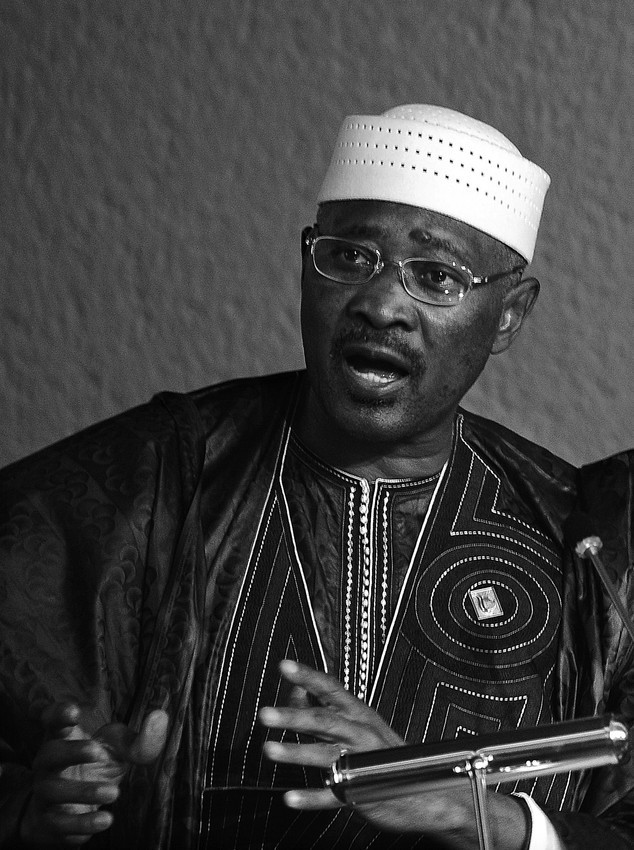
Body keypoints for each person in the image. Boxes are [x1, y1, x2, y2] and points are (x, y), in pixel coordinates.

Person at [0, 104, 633, 850]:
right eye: (349, 257)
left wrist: (476, 815)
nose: (382, 302)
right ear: (307, 266)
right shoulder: (151, 480)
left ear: (509, 316)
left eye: (437, 276)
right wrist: (31, 812)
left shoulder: (586, 547)